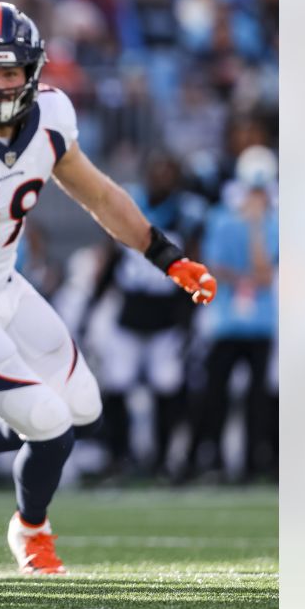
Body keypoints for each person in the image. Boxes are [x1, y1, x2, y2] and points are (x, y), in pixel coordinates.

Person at [0, 2, 217, 574]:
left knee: (84, 408)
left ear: (34, 72)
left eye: (10, 73)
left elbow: (99, 195)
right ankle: (31, 531)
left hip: (3, 285)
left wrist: (168, 257)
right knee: (48, 423)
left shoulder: (51, 118)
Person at [86, 153, 208, 476]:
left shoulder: (187, 212)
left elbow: (194, 259)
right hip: (131, 311)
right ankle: (119, 455)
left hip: (167, 315)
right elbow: (112, 257)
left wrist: (190, 314)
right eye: (157, 171)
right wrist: (94, 302)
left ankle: (163, 458)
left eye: (168, 172)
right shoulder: (133, 204)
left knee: (167, 386)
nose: (161, 178)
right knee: (117, 384)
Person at [186, 148, 278, 481]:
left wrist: (255, 227)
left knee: (258, 399)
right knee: (215, 394)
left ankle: (255, 463)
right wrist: (244, 276)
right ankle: (212, 459)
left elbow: (266, 272)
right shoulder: (221, 218)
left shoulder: (272, 223)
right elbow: (213, 266)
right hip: (226, 323)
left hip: (260, 323)